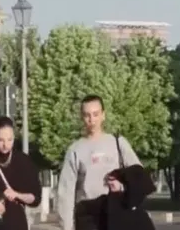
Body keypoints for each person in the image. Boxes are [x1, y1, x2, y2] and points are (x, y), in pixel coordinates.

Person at [56, 95, 143, 230]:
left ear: (103, 115)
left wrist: (122, 186)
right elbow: (65, 193)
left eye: (96, 114)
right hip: (87, 216)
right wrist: (66, 226)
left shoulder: (118, 143)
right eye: (87, 115)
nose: (92, 120)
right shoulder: (75, 150)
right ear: (82, 117)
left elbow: (139, 176)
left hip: (116, 211)